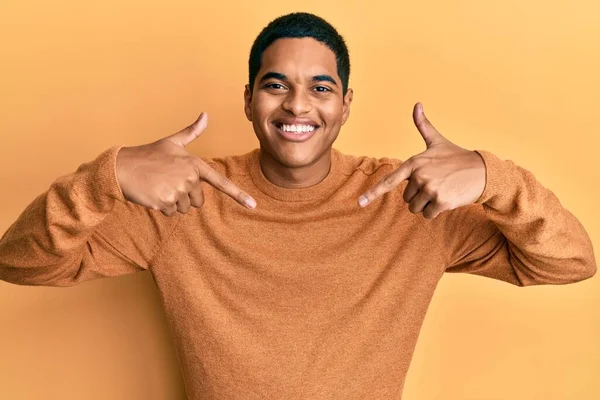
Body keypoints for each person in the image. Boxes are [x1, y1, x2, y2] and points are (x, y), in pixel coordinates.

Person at [0, 11, 596, 400]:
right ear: (249, 98)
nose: (297, 106)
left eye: (321, 87)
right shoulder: (181, 197)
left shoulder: (409, 199)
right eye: (275, 83)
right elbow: (20, 263)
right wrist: (110, 174)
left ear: (345, 104)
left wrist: (495, 177)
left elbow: (570, 262)